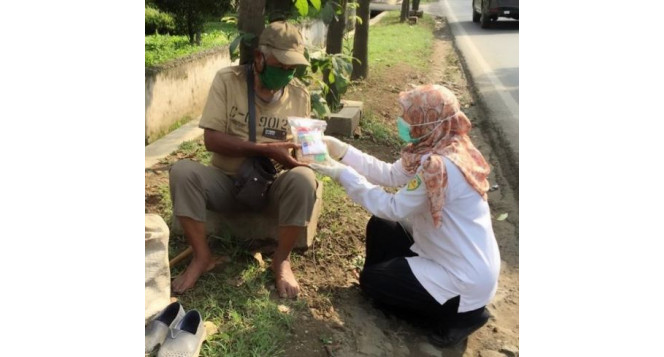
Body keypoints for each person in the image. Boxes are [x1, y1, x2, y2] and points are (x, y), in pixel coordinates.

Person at [311, 84, 500, 347]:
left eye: (410, 118)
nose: (403, 123)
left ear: (428, 121)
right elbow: (390, 174)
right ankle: (400, 282)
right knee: (383, 226)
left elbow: (392, 206)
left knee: (372, 282)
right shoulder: (440, 146)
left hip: (462, 278)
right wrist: (342, 151)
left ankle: (459, 317)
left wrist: (342, 174)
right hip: (457, 258)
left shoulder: (439, 166)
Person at [168, 21, 318, 298]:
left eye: (292, 68)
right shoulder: (228, 81)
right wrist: (265, 150)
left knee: (305, 179)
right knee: (182, 171)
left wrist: (302, 157)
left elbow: (302, 152)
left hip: (271, 187)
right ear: (260, 58)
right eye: (280, 65)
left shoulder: (299, 95)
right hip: (225, 183)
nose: (286, 74)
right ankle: (202, 257)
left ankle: (281, 260)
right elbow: (211, 140)